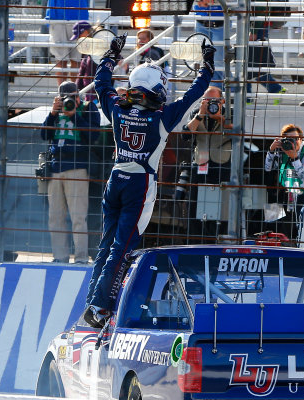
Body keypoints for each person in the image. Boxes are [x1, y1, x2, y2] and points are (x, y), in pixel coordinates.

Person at [83, 34, 215, 328]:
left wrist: (110, 56)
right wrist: (207, 64)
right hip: (141, 182)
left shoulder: (116, 109)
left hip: (115, 177)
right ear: (156, 89)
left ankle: (92, 302)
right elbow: (195, 93)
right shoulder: (163, 117)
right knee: (123, 247)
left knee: (106, 243)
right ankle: (101, 307)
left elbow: (102, 83)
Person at [40, 80, 100, 263]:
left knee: (78, 217)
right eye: (65, 97)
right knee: (55, 217)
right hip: (56, 167)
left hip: (77, 166)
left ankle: (81, 257)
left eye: (73, 97)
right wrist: (52, 113)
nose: (69, 100)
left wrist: (74, 115)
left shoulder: (89, 108)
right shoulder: (56, 110)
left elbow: (93, 136)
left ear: (78, 95)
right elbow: (44, 135)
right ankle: (60, 256)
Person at [181, 86, 233, 240]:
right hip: (200, 164)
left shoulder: (230, 113)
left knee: (220, 206)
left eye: (214, 101)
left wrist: (219, 118)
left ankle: (218, 238)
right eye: (206, 100)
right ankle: (195, 239)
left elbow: (237, 133)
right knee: (195, 204)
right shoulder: (197, 113)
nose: (210, 103)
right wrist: (200, 115)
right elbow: (185, 135)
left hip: (222, 165)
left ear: (222, 101)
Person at [264, 124, 304, 242]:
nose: (293, 143)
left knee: (300, 227)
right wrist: (271, 151)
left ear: (301, 139)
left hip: (302, 195)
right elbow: (268, 168)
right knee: (277, 227)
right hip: (283, 192)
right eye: (289, 140)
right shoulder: (282, 150)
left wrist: (294, 158)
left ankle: (298, 246)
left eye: (295, 139)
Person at [247, 3, 286, 104]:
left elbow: (261, 7)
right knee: (251, 64)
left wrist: (254, 31)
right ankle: (275, 89)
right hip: (255, 26)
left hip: (255, 27)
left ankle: (247, 98)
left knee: (248, 63)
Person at [45, 0, 89, 85]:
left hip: (78, 16)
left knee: (76, 60)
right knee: (61, 59)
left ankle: (74, 93)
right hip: (58, 16)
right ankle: (62, 93)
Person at [193, 0, 226, 89]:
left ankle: (214, 89)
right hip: (202, 20)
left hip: (219, 22)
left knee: (217, 60)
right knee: (209, 58)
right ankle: (218, 88)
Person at [72, 21, 96, 101]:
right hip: (88, 96)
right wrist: (74, 93)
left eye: (79, 36)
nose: (78, 40)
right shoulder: (86, 52)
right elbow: (81, 76)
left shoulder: (101, 46)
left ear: (86, 32)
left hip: (99, 95)